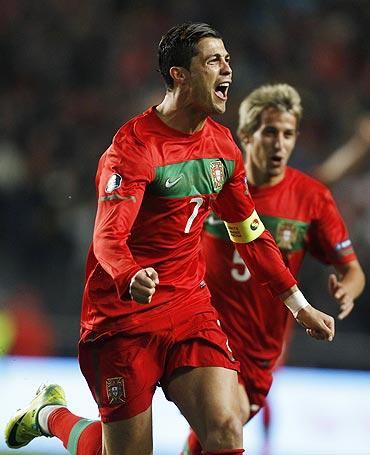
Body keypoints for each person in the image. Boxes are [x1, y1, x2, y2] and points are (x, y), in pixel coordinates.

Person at [5, 25, 334, 455]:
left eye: (228, 59)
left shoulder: (223, 147)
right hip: (123, 315)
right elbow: (108, 238)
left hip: (188, 307)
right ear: (179, 75)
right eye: (214, 60)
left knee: (225, 429)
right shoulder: (134, 148)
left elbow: (251, 235)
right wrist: (129, 274)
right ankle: (49, 414)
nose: (227, 69)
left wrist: (299, 304)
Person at [181, 83, 365, 455]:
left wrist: (347, 288)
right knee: (225, 426)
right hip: (206, 331)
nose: (279, 144)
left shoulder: (310, 198)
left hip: (262, 350)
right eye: (269, 132)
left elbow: (354, 270)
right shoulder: (213, 184)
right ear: (246, 135)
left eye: (287, 134)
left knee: (211, 437)